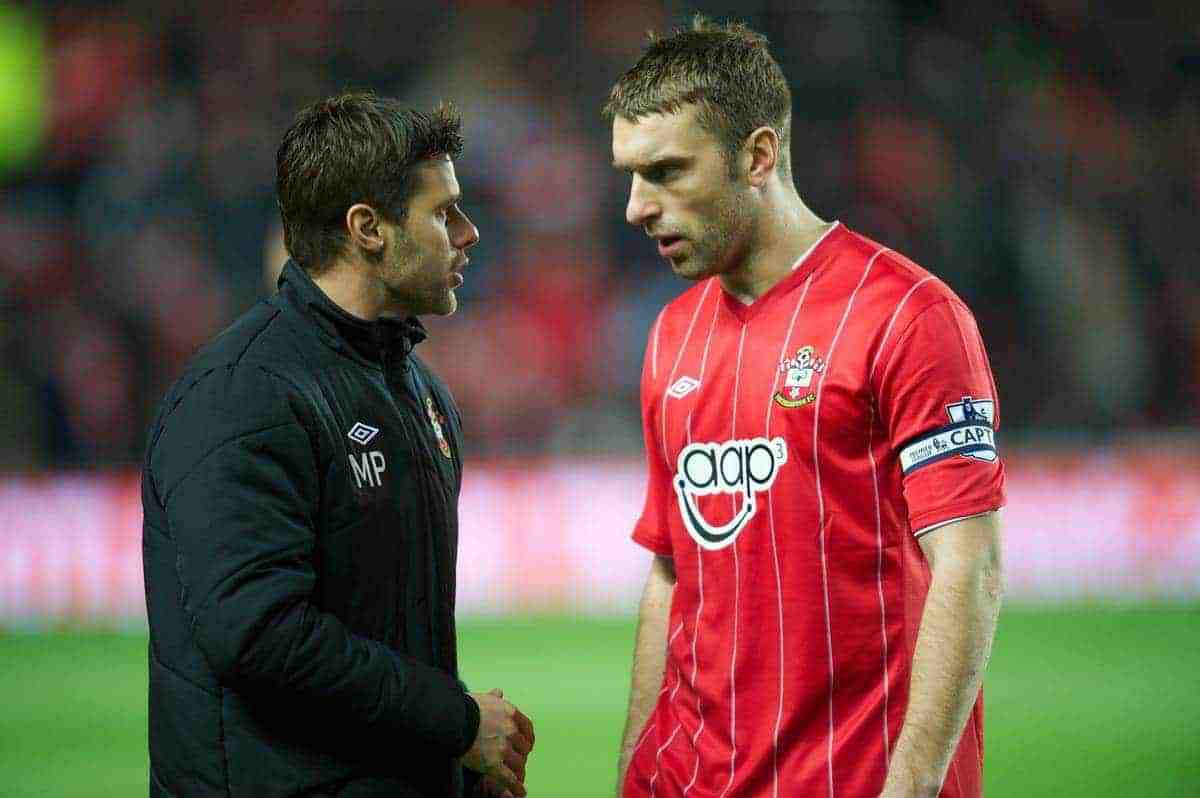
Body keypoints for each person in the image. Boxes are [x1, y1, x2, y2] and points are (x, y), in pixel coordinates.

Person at [606, 18, 1004, 798]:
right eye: (629, 174)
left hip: (852, 779)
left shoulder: (908, 315)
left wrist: (915, 783)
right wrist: (634, 774)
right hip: (693, 780)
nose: (635, 207)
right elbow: (669, 571)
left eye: (665, 172)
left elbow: (970, 564)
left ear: (757, 156)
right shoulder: (672, 334)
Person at [141, 91, 533, 798]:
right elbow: (258, 635)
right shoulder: (242, 394)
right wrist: (454, 721)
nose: (469, 232)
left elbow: (390, 637)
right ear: (367, 228)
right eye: (442, 212)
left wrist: (461, 768)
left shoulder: (419, 393)